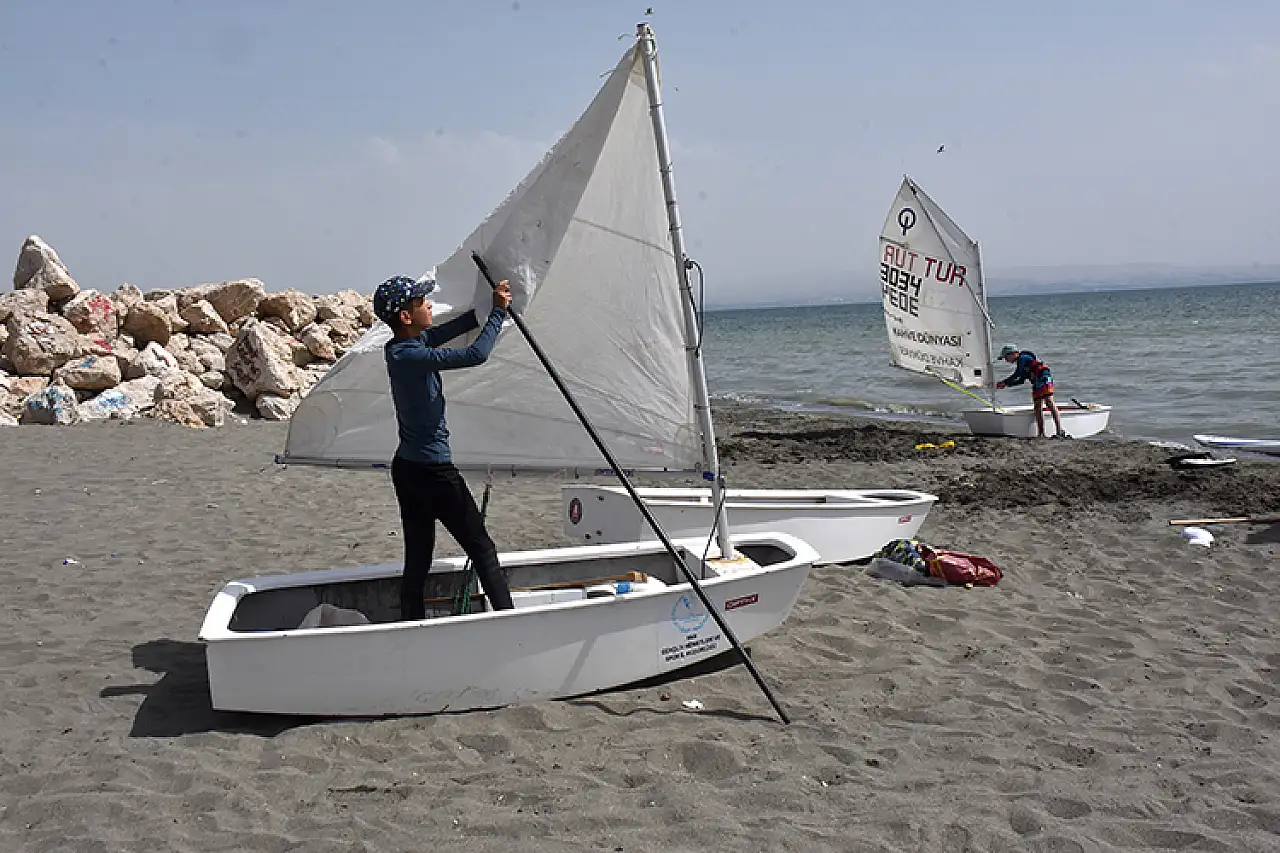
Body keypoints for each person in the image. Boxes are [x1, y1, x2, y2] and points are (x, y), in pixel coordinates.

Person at [374, 274, 516, 621]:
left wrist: (477, 312)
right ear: (406, 317)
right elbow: (476, 354)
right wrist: (497, 314)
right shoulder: (411, 357)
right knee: (482, 549)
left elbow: (435, 335)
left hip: (407, 470)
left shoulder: (399, 348)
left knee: (419, 558)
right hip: (433, 473)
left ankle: (413, 627)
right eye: (422, 302)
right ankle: (510, 623)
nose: (430, 305)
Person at [994, 344, 1067, 439]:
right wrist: (1007, 385)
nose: (1005, 360)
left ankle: (1059, 430)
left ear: (1013, 354)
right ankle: (1041, 433)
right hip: (1036, 383)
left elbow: (1017, 374)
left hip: (1044, 378)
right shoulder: (1022, 364)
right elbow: (1021, 380)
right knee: (1037, 406)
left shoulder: (1023, 358)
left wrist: (1004, 381)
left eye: (1006, 357)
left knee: (1049, 402)